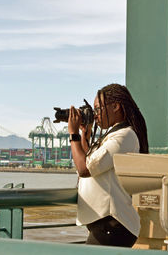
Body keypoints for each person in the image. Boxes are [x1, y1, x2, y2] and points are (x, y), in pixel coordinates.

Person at [68, 83, 148, 247]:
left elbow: (84, 169)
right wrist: (85, 133)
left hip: (113, 225)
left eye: (98, 109)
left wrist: (73, 134)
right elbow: (90, 160)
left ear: (116, 107)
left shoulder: (124, 136)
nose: (95, 115)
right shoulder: (114, 135)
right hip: (106, 224)